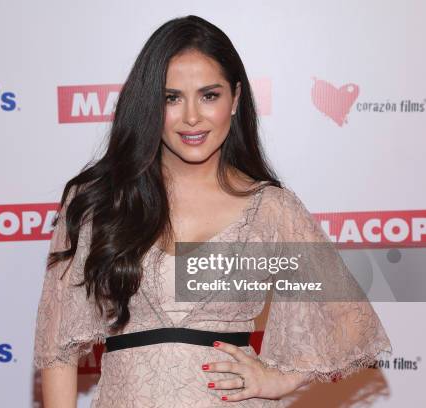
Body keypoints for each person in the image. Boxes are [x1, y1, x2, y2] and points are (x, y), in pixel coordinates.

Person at [33, 15, 392, 407]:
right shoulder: (100, 201)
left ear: (235, 99)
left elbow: (348, 320)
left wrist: (280, 379)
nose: (191, 117)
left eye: (209, 95)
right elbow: (58, 350)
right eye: (171, 98)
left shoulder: (270, 207)